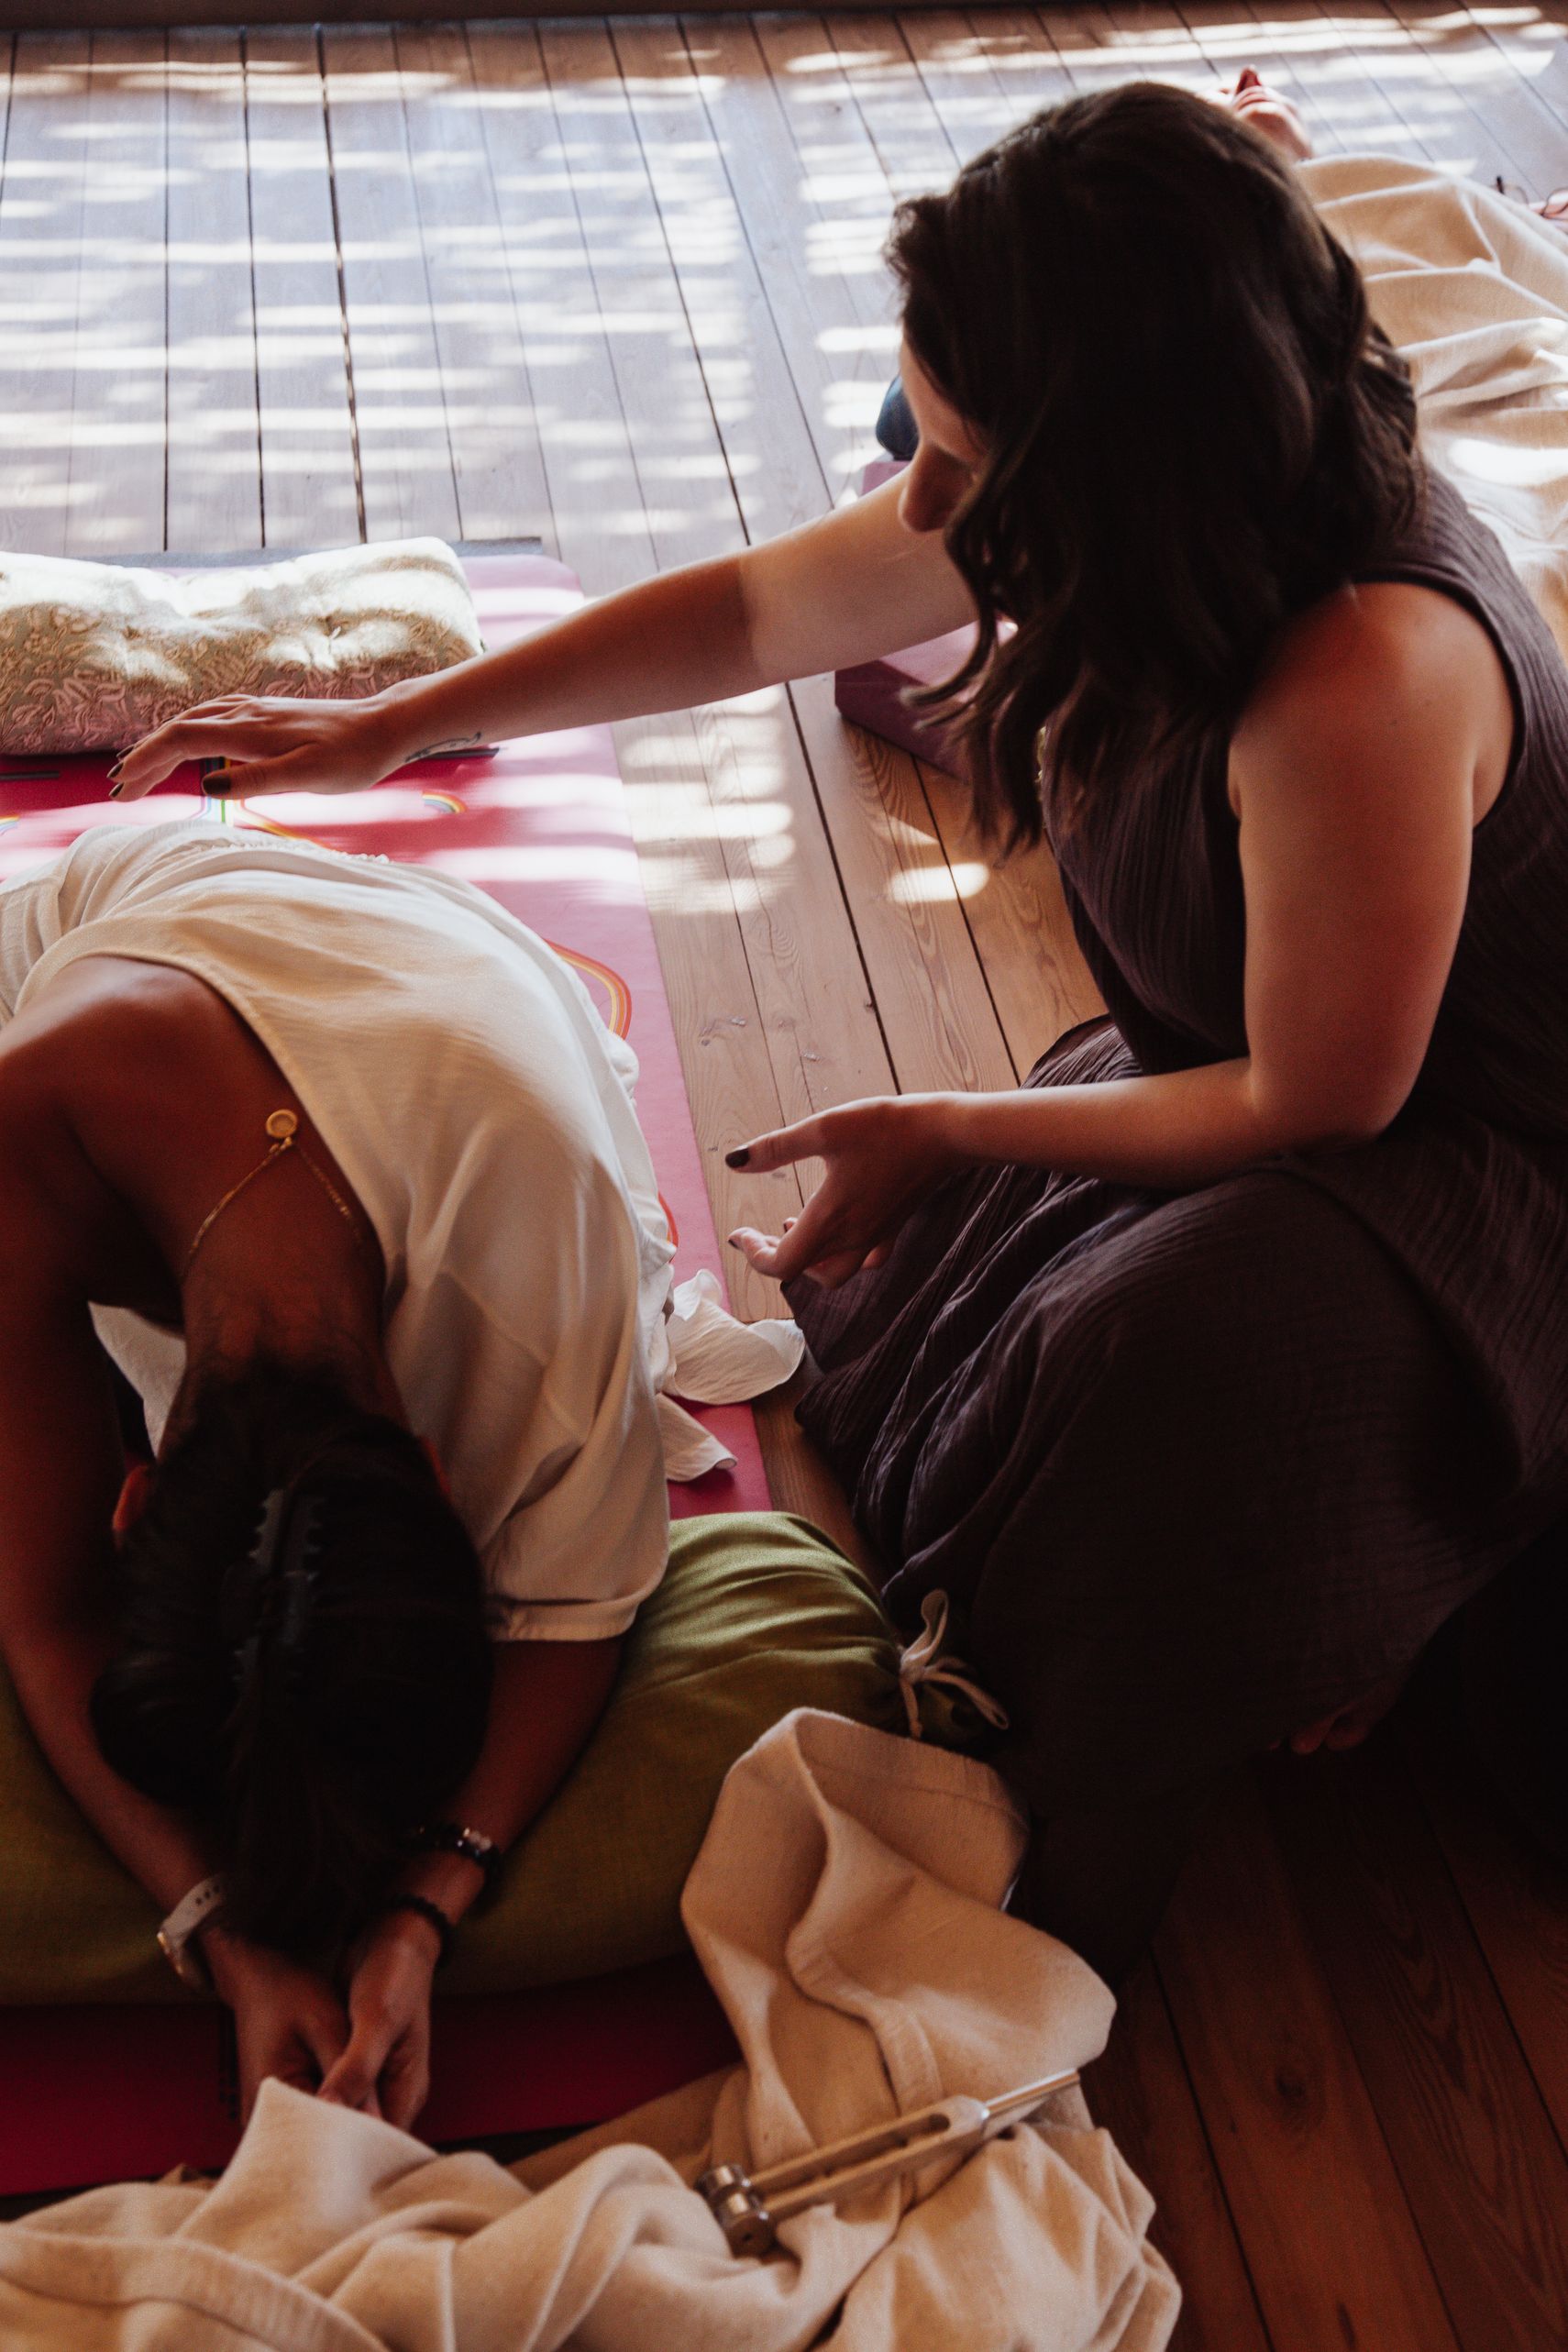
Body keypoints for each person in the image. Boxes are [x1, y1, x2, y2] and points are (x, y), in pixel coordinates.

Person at [112, 80, 1568, 1979]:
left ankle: (1383, 1575)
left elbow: (1324, 1095)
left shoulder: (1363, 677)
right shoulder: (1161, 481)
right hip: (1260, 1061)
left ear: (1124, 470)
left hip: (1464, 1165)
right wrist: (391, 724)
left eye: (960, 462)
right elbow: (750, 614)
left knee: (1146, 1370)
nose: (922, 506)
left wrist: (952, 1120)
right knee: (929, 1359)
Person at [0, 817, 679, 2119]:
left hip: (452, 1008)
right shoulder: (21, 1126)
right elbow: (44, 1613)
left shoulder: (539, 1241)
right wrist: (223, 1936)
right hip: (107, 926)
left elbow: (575, 1608)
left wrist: (423, 1909)